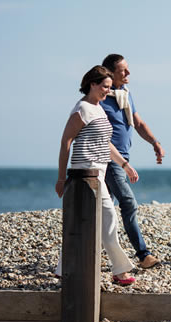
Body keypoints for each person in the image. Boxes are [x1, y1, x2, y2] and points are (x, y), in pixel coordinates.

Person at [55, 65, 137, 285]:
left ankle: (62, 270)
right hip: (84, 174)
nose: (107, 92)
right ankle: (120, 272)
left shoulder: (98, 108)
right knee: (108, 220)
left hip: (98, 172)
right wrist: (62, 178)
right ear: (92, 84)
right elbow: (66, 142)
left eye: (110, 88)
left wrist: (125, 165)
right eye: (104, 87)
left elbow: (105, 143)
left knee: (82, 223)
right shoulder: (82, 109)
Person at [100, 54, 165, 269]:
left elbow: (138, 123)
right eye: (123, 70)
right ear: (110, 72)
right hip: (109, 161)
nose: (128, 73)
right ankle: (143, 254)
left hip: (123, 158)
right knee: (128, 203)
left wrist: (154, 142)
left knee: (101, 211)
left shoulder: (125, 96)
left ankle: (86, 255)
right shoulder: (100, 99)